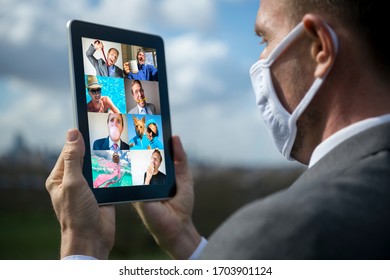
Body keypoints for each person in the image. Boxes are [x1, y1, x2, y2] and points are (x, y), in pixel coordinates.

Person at [46, 0, 390, 260]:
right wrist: (186, 240)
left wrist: (81, 242)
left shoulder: (287, 231)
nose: (260, 61)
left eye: (263, 39)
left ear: (319, 48)